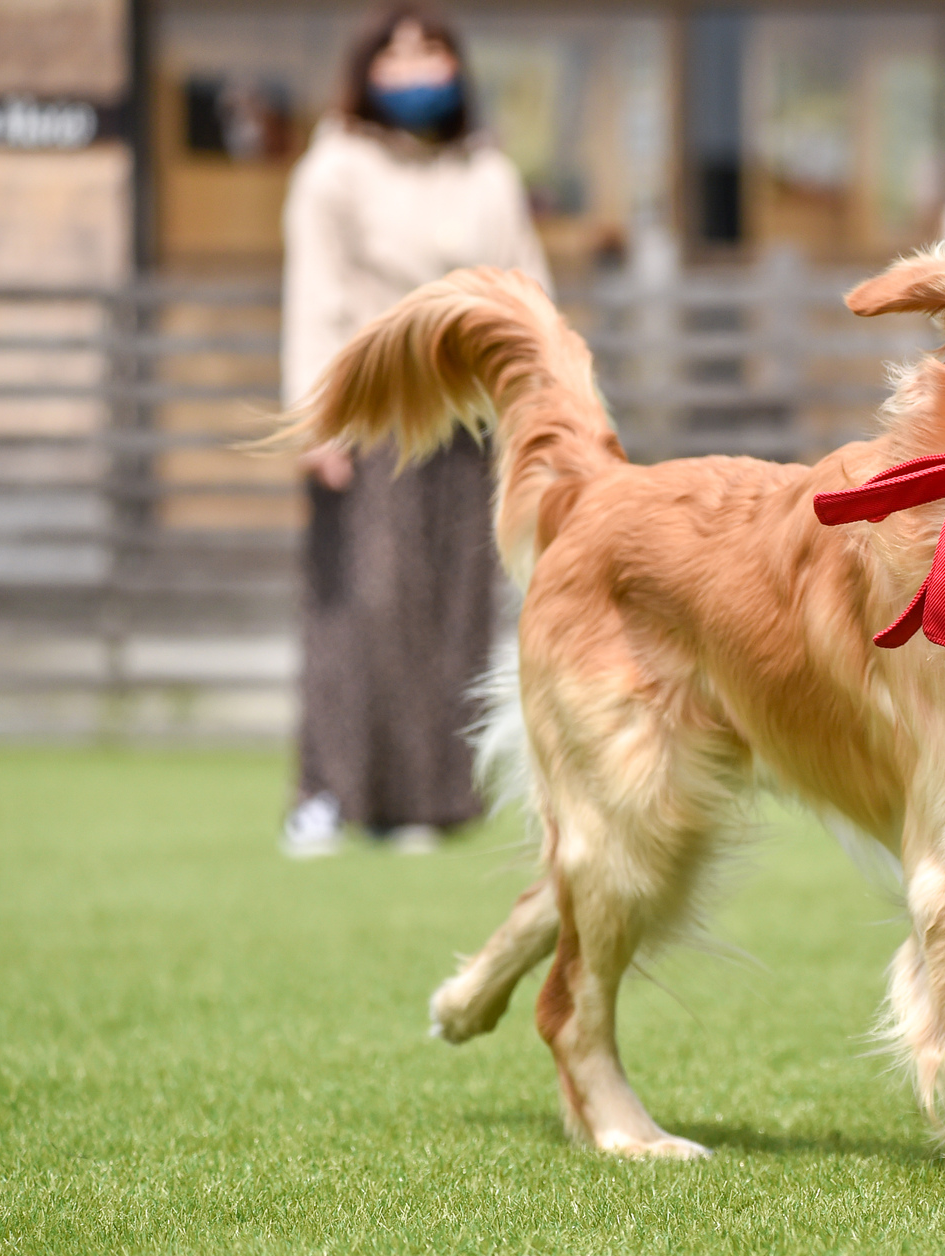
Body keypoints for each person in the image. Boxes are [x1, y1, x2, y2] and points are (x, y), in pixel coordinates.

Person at [279, 3, 550, 856]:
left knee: (456, 608)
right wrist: (314, 416)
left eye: (429, 53)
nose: (414, 71)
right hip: (370, 414)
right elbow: (313, 295)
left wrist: (544, 409)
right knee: (362, 603)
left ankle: (428, 803)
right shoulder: (334, 169)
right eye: (394, 57)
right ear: (366, 72)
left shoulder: (489, 175)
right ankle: (328, 791)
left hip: (467, 420)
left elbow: (528, 295)